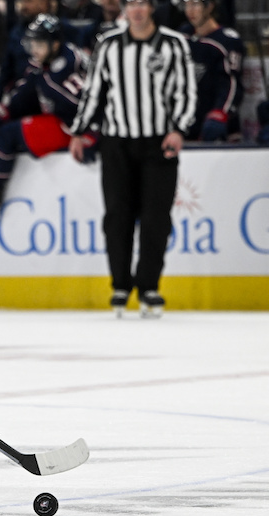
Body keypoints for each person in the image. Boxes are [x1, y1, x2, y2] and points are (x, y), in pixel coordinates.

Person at [68, 0, 196, 318]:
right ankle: (121, 286)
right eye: (131, 3)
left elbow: (186, 91)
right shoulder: (109, 44)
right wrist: (79, 130)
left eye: (142, 3)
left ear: (151, 8)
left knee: (156, 218)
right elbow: (93, 91)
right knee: (117, 216)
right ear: (125, 9)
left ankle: (149, 286)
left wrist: (179, 129)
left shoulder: (173, 43)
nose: (136, 10)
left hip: (159, 143)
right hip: (117, 143)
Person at [0, 14, 94, 221]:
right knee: (6, 127)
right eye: (32, 43)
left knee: (8, 135)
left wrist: (90, 135)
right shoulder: (59, 56)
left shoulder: (60, 76)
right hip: (71, 121)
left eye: (39, 43)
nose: (34, 49)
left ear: (55, 43)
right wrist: (3, 110)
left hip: (76, 129)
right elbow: (28, 90)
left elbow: (91, 104)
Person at [180, 0, 244, 141]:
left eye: (195, 4)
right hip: (187, 125)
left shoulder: (227, 40)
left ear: (209, 6)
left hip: (217, 125)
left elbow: (231, 83)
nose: (189, 10)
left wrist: (221, 112)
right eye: (186, 4)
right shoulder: (182, 36)